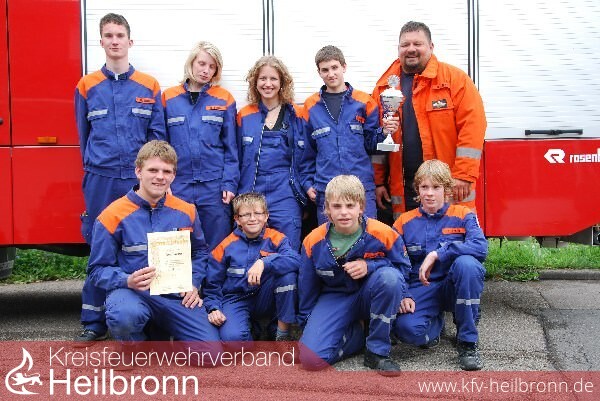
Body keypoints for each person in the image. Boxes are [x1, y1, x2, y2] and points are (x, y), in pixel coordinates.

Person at [74, 13, 166, 343]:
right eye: (109, 35)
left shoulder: (149, 85)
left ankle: (147, 314)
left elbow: (158, 139)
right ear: (101, 42)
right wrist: (94, 169)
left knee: (144, 243)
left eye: (120, 35)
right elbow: (83, 135)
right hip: (101, 178)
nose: (115, 41)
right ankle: (94, 320)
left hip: (138, 181)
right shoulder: (86, 86)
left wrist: (152, 177)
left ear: (130, 41)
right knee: (100, 245)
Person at [86, 140, 221, 353]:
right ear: (138, 171)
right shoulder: (112, 215)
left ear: (173, 176)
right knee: (125, 316)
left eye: (166, 171)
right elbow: (96, 270)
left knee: (210, 354)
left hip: (175, 296)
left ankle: (168, 333)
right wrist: (127, 280)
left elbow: (199, 252)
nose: (160, 177)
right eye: (153, 170)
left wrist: (193, 283)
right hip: (132, 293)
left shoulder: (187, 211)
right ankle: (133, 345)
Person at [372, 21, 487, 221]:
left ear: (431, 47)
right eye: (405, 44)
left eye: (418, 44)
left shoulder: (454, 80)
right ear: (398, 48)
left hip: (447, 185)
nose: (411, 49)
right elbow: (378, 139)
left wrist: (463, 174)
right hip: (403, 188)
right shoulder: (384, 87)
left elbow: (473, 127)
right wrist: (378, 181)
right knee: (408, 235)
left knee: (451, 233)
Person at [297, 175, 411, 376]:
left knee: (389, 279)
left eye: (350, 205)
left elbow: (402, 269)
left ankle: (377, 351)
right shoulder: (313, 241)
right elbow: (307, 286)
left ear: (361, 207)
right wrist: (308, 324)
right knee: (310, 360)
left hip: (370, 294)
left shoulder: (383, 233)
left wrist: (370, 266)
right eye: (337, 206)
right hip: (335, 296)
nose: (344, 212)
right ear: (327, 209)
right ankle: (357, 335)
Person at [392, 159, 487, 371]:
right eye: (424, 187)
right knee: (407, 331)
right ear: (417, 189)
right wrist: (404, 294)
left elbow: (481, 248)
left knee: (468, 265)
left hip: (454, 284)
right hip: (422, 287)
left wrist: (439, 253)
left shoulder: (463, 215)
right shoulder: (404, 222)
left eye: (436, 187)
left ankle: (467, 341)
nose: (429, 193)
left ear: (447, 189)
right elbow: (394, 262)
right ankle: (436, 322)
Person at [162, 41, 239, 249]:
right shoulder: (169, 98)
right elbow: (161, 146)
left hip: (213, 187)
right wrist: (165, 182)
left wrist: (229, 183)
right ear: (191, 63)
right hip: (179, 184)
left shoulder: (224, 99)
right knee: (178, 246)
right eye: (202, 64)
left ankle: (214, 274)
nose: (206, 70)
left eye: (212, 67)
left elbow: (231, 147)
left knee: (217, 245)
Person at [300, 46, 384, 224]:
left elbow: (373, 146)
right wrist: (307, 184)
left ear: (344, 67)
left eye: (334, 67)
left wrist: (385, 132)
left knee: (367, 237)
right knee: (330, 239)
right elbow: (306, 152)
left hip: (361, 188)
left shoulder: (364, 102)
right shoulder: (310, 106)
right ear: (319, 72)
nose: (331, 74)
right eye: (325, 70)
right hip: (326, 189)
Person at [203, 192, 300, 342]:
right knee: (233, 339)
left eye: (258, 213)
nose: (253, 218)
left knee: (288, 277)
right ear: (237, 219)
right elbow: (212, 285)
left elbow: (296, 260)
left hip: (267, 295)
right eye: (246, 215)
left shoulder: (277, 238)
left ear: (266, 216)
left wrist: (264, 262)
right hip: (236, 298)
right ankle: (250, 331)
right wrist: (213, 307)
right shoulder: (224, 247)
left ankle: (281, 334)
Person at [236, 56, 306, 250]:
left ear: (282, 82)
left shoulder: (297, 114)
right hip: (252, 189)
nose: (268, 84)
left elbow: (306, 157)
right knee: (251, 249)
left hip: (285, 191)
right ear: (255, 82)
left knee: (288, 247)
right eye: (263, 79)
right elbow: (235, 157)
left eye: (273, 79)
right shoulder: (244, 115)